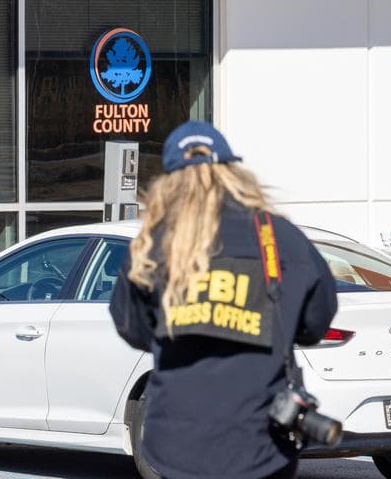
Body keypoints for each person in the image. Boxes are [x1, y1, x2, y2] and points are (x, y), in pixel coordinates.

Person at [109, 121, 337, 479]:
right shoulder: (279, 239)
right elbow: (315, 324)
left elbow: (133, 329)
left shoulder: (154, 244)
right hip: (260, 446)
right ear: (232, 170)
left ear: (169, 180)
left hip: (175, 446)